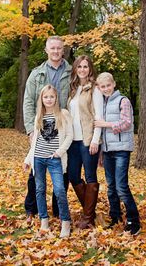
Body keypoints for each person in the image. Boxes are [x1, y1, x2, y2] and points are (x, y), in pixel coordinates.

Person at [23, 36, 71, 223]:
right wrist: (30, 129)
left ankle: (58, 211)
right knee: (36, 171)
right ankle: (31, 209)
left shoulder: (71, 71)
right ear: (46, 50)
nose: (56, 51)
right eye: (52, 48)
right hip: (41, 126)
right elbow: (28, 100)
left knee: (62, 169)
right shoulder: (37, 74)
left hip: (61, 126)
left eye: (59, 48)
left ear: (63, 50)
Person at [94, 72, 141, 235]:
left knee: (122, 186)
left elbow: (126, 123)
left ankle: (133, 221)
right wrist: (101, 151)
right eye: (102, 86)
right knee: (111, 187)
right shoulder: (102, 104)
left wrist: (105, 124)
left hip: (121, 150)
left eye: (108, 85)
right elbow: (101, 133)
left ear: (113, 84)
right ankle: (115, 216)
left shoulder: (123, 100)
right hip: (107, 151)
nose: (106, 88)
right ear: (99, 88)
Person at [23, 85, 73, 238]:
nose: (49, 99)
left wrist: (59, 152)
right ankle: (44, 220)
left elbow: (70, 136)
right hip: (38, 158)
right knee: (39, 190)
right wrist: (28, 159)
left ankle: (66, 221)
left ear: (56, 98)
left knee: (59, 190)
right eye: (46, 97)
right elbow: (36, 141)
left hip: (55, 159)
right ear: (42, 99)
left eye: (52, 97)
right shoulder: (39, 115)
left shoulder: (63, 114)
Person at [67, 55, 103, 229]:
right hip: (73, 141)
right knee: (73, 175)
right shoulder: (74, 89)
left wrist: (96, 139)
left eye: (85, 66)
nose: (82, 69)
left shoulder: (94, 89)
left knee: (90, 177)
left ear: (90, 69)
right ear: (75, 69)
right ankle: (91, 211)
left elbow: (98, 117)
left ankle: (87, 218)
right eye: (79, 66)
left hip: (88, 140)